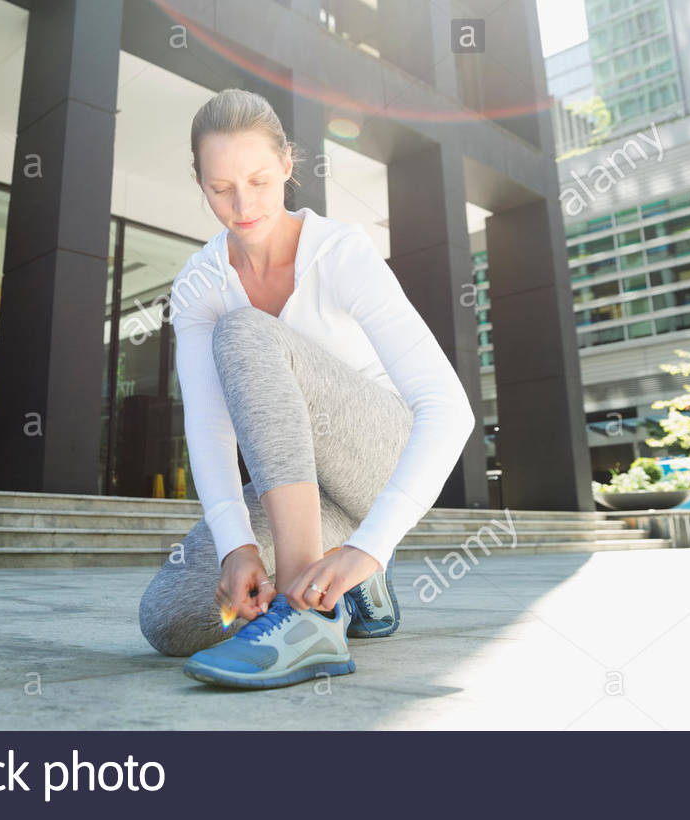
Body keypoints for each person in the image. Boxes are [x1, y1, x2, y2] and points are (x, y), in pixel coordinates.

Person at [137, 87, 476, 689]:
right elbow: (209, 428)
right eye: (221, 188)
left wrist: (372, 544)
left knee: (245, 332)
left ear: (289, 165)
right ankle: (347, 588)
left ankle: (309, 618)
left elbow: (449, 409)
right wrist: (235, 545)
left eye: (260, 180)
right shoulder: (199, 283)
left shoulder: (340, 253)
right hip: (300, 487)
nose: (244, 205)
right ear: (199, 182)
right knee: (170, 620)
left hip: (377, 459)